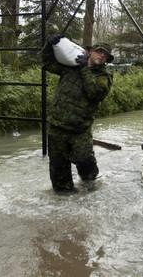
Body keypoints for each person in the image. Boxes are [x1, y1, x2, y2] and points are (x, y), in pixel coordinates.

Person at [42, 36, 114, 192]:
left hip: (80, 130)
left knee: (85, 162)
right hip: (57, 126)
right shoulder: (71, 66)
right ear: (90, 52)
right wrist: (49, 45)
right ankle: (64, 206)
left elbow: (94, 93)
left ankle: (92, 187)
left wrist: (84, 69)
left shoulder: (104, 77)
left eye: (105, 54)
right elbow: (47, 63)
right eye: (98, 51)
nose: (101, 55)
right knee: (59, 172)